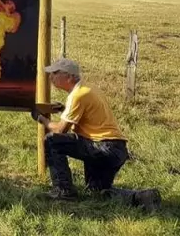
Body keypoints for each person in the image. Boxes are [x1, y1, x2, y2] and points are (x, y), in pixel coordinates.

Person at [31, 58, 161, 211]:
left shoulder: (78, 95)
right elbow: (86, 113)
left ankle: (63, 190)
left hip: (101, 146)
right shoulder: (88, 89)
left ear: (69, 76)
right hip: (116, 150)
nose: (51, 77)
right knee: (97, 191)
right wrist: (64, 108)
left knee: (52, 140)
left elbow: (60, 130)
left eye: (54, 73)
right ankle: (140, 197)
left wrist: (41, 119)